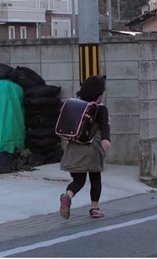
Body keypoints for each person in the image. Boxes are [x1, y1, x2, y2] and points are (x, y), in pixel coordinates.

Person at [59, 75, 111, 219]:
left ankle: (67, 196)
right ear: (99, 92)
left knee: (78, 180)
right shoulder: (99, 108)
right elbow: (105, 126)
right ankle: (94, 209)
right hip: (92, 148)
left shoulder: (76, 105)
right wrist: (106, 139)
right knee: (95, 178)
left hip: (74, 148)